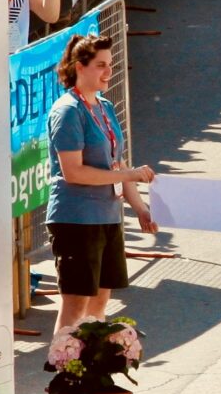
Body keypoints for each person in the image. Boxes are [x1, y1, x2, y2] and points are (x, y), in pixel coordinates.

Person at [43, 32, 152, 362]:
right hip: (75, 219)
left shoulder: (103, 106)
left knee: (100, 303)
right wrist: (128, 176)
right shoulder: (67, 111)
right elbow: (73, 172)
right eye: (101, 65)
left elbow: (117, 162)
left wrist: (140, 208)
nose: (108, 72)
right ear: (80, 67)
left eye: (111, 64)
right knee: (75, 304)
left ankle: (95, 377)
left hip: (106, 217)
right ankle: (64, 375)